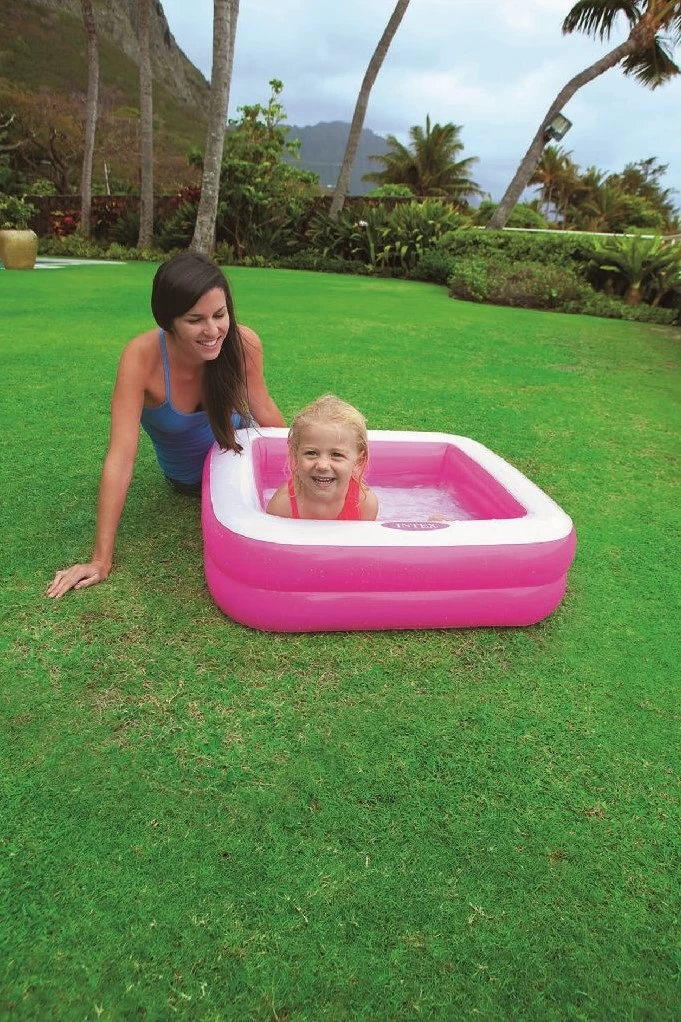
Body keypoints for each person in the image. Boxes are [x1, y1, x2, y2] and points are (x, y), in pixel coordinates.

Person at [47, 251, 285, 598]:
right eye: (195, 320)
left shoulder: (242, 343)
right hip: (191, 481)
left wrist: (294, 470)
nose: (213, 331)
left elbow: (264, 412)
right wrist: (100, 559)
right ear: (168, 320)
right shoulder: (141, 359)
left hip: (242, 459)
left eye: (220, 315)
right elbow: (121, 458)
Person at [266, 394, 378, 521]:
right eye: (311, 453)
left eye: (336, 455)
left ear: (358, 461)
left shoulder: (365, 505)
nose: (322, 465)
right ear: (295, 455)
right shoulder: (282, 506)